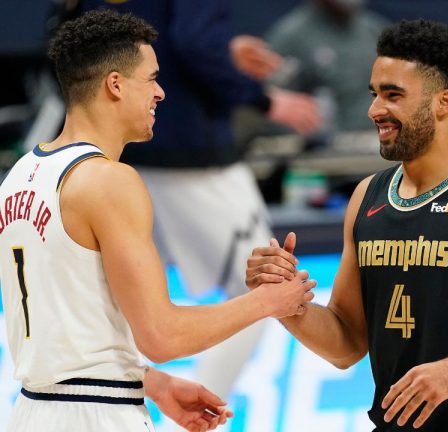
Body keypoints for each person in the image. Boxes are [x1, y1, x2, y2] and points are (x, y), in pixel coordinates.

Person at [247, 19, 448, 431]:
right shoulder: (367, 196)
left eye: (393, 95)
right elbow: (347, 343)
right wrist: (287, 306)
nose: (374, 110)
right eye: (374, 94)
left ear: (443, 102)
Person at [0, 9, 314, 431]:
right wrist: (266, 302)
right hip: (99, 417)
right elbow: (162, 336)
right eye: (151, 78)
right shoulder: (109, 181)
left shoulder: (21, 173)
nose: (161, 93)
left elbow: (70, 331)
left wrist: (154, 383)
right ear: (115, 84)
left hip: (32, 413)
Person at [72, 0, 320, 404]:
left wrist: (220, 50)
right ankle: (203, 416)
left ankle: (129, 406)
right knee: (264, 283)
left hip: (115, 148)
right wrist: (261, 98)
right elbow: (193, 40)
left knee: (109, 299)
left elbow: (82, 37)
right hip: (190, 155)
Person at [264, 0, 390, 132]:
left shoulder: (374, 30)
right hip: (327, 145)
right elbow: (271, 107)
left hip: (378, 139)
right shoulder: (290, 39)